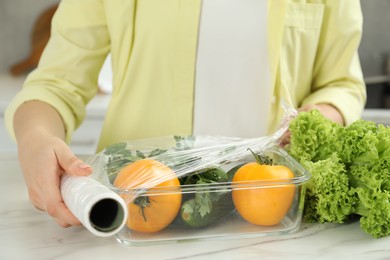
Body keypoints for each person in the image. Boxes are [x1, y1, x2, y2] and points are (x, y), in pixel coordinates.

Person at [5, 0, 366, 228]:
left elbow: (342, 84)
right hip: (135, 214)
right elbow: (56, 84)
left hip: (272, 219)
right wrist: (36, 136)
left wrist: (318, 117)